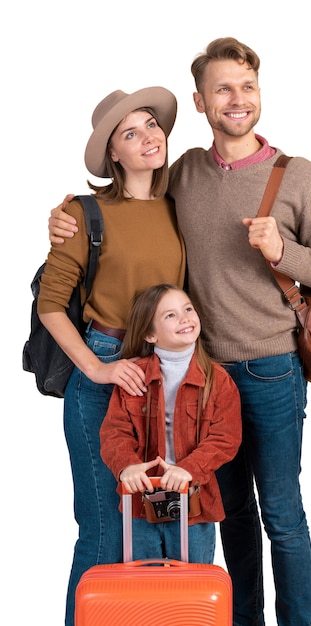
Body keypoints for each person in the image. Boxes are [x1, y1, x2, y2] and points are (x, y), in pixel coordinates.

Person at [48, 37, 311, 626]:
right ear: (200, 101)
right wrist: (65, 215)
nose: (236, 99)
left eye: (247, 87)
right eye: (222, 88)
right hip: (201, 375)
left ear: (259, 95)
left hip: (269, 368)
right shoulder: (184, 172)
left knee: (283, 515)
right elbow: (125, 210)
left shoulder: (298, 176)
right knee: (226, 513)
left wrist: (284, 250)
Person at [38, 87, 186, 626]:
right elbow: (52, 304)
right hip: (104, 372)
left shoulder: (178, 208)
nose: (148, 137)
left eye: (152, 124)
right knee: (104, 530)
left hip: (166, 375)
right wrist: (97, 368)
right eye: (131, 133)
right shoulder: (84, 213)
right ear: (113, 157)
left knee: (162, 527)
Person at [100, 283, 242, 563]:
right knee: (146, 585)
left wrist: (189, 469)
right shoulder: (133, 377)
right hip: (141, 501)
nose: (185, 318)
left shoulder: (218, 380)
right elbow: (115, 432)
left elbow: (225, 437)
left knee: (193, 585)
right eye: (170, 315)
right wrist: (126, 465)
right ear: (150, 334)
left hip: (194, 502)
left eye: (187, 309)